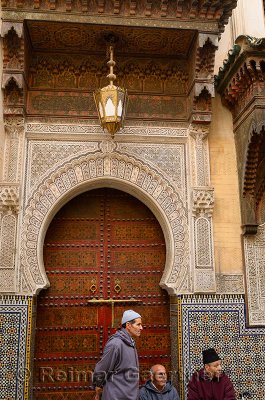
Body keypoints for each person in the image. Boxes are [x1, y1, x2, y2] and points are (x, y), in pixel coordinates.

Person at [93, 309, 143, 400]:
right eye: (138, 324)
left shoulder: (130, 343)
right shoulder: (116, 344)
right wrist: (98, 385)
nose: (141, 328)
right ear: (128, 325)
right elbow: (103, 366)